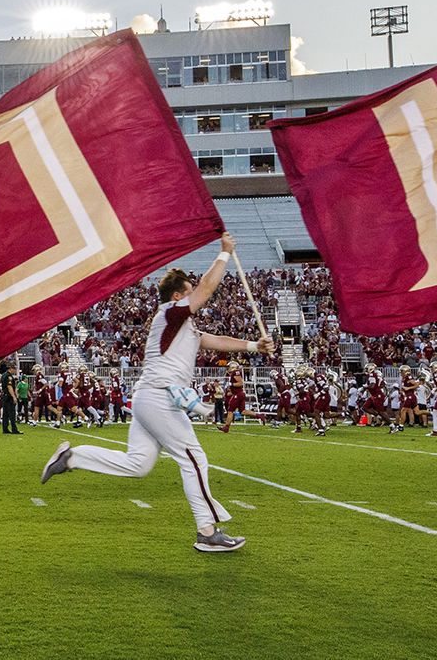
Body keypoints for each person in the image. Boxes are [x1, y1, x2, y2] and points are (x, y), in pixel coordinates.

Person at [40, 233, 273, 552]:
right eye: (187, 293)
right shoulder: (170, 313)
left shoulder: (181, 324)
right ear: (178, 295)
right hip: (160, 398)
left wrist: (251, 346)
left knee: (138, 464)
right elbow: (205, 290)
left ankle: (72, 456)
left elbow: (213, 339)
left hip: (152, 399)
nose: (193, 299)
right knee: (193, 458)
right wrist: (223, 254)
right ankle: (207, 532)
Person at [0, 362, 21, 434]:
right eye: (14, 369)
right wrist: (14, 396)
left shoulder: (3, 375)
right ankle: (14, 429)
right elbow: (9, 387)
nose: (15, 370)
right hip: (9, 397)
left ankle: (5, 429)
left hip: (4, 396)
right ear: (11, 368)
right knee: (12, 414)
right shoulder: (9, 376)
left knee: (5, 414)